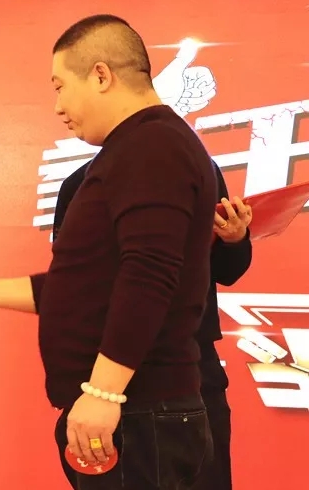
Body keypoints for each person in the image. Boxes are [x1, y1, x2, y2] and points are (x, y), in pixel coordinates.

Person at [0, 14, 222, 489]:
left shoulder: (153, 146)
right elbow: (86, 287)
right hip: (135, 413)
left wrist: (104, 393)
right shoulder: (136, 147)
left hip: (140, 413)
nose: (57, 106)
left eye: (60, 86)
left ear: (100, 75)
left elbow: (149, 275)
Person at [52, 159, 252, 489]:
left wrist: (235, 239)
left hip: (193, 367)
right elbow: (69, 286)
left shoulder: (199, 169)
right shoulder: (81, 182)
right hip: (111, 369)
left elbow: (227, 271)